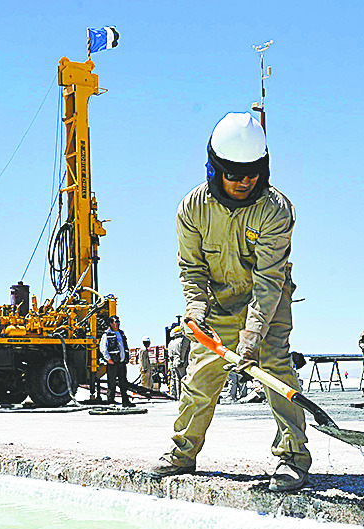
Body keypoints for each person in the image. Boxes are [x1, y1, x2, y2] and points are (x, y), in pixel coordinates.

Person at [147, 111, 310, 492]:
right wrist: (196, 310)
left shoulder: (275, 210)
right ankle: (182, 452)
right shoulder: (192, 209)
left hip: (267, 302)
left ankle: (294, 457)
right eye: (234, 174)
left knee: (274, 369)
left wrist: (252, 339)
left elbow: (268, 280)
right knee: (200, 377)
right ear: (214, 169)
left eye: (252, 173)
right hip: (217, 304)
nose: (244, 182)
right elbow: (192, 268)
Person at [99, 316, 133, 406]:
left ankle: (125, 401)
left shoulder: (121, 333)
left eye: (118, 321)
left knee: (123, 382)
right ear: (111, 323)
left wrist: (127, 357)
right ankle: (111, 400)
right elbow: (103, 348)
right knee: (112, 382)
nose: (118, 323)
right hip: (112, 363)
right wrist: (108, 359)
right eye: (116, 322)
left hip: (121, 362)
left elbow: (125, 347)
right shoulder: (107, 334)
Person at [166, 325, 190, 399]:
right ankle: (184, 396)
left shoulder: (171, 343)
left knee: (176, 380)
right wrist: (182, 360)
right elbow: (183, 351)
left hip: (174, 363)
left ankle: (178, 396)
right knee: (184, 379)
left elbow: (170, 355)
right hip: (181, 362)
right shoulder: (184, 340)